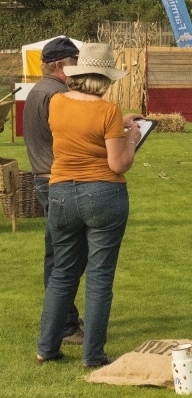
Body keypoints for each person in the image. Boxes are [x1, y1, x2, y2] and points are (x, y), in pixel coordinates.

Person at [36, 43, 141, 368]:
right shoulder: (107, 110)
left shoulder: (56, 103)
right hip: (103, 195)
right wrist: (132, 138)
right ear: (105, 78)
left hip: (61, 194)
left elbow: (81, 128)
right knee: (99, 276)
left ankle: (46, 349)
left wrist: (117, 126)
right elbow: (118, 164)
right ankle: (92, 356)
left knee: (63, 274)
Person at [23, 37, 87, 347]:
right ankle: (63, 325)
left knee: (59, 255)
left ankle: (62, 320)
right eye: (76, 61)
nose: (80, 67)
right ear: (61, 65)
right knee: (67, 257)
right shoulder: (58, 95)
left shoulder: (38, 90)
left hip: (45, 177)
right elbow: (74, 138)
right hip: (58, 181)